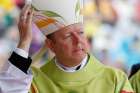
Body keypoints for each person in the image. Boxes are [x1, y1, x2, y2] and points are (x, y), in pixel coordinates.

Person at [0, 0, 134, 93]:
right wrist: (24, 41)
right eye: (68, 36)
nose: (78, 40)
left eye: (81, 33)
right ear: (51, 45)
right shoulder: (33, 82)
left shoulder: (115, 79)